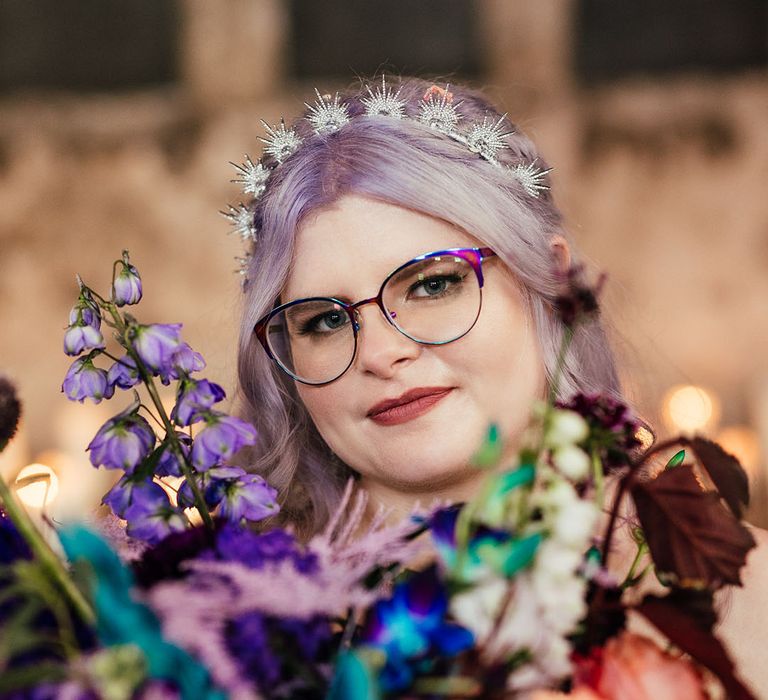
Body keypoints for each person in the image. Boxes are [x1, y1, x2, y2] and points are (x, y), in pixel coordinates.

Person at [230, 75, 768, 693]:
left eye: (433, 284)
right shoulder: (219, 630)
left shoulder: (753, 605)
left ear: (554, 285)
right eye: (324, 320)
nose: (380, 353)